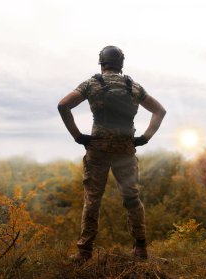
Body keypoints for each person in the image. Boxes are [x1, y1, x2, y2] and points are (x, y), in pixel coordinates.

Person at [57, 45, 166, 264]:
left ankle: (84, 253)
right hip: (125, 150)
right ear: (121, 64)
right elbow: (159, 111)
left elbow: (63, 105)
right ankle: (141, 250)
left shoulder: (91, 84)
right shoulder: (133, 87)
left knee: (92, 200)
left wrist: (78, 136)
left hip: (98, 149)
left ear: (101, 63)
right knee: (132, 200)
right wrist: (144, 138)